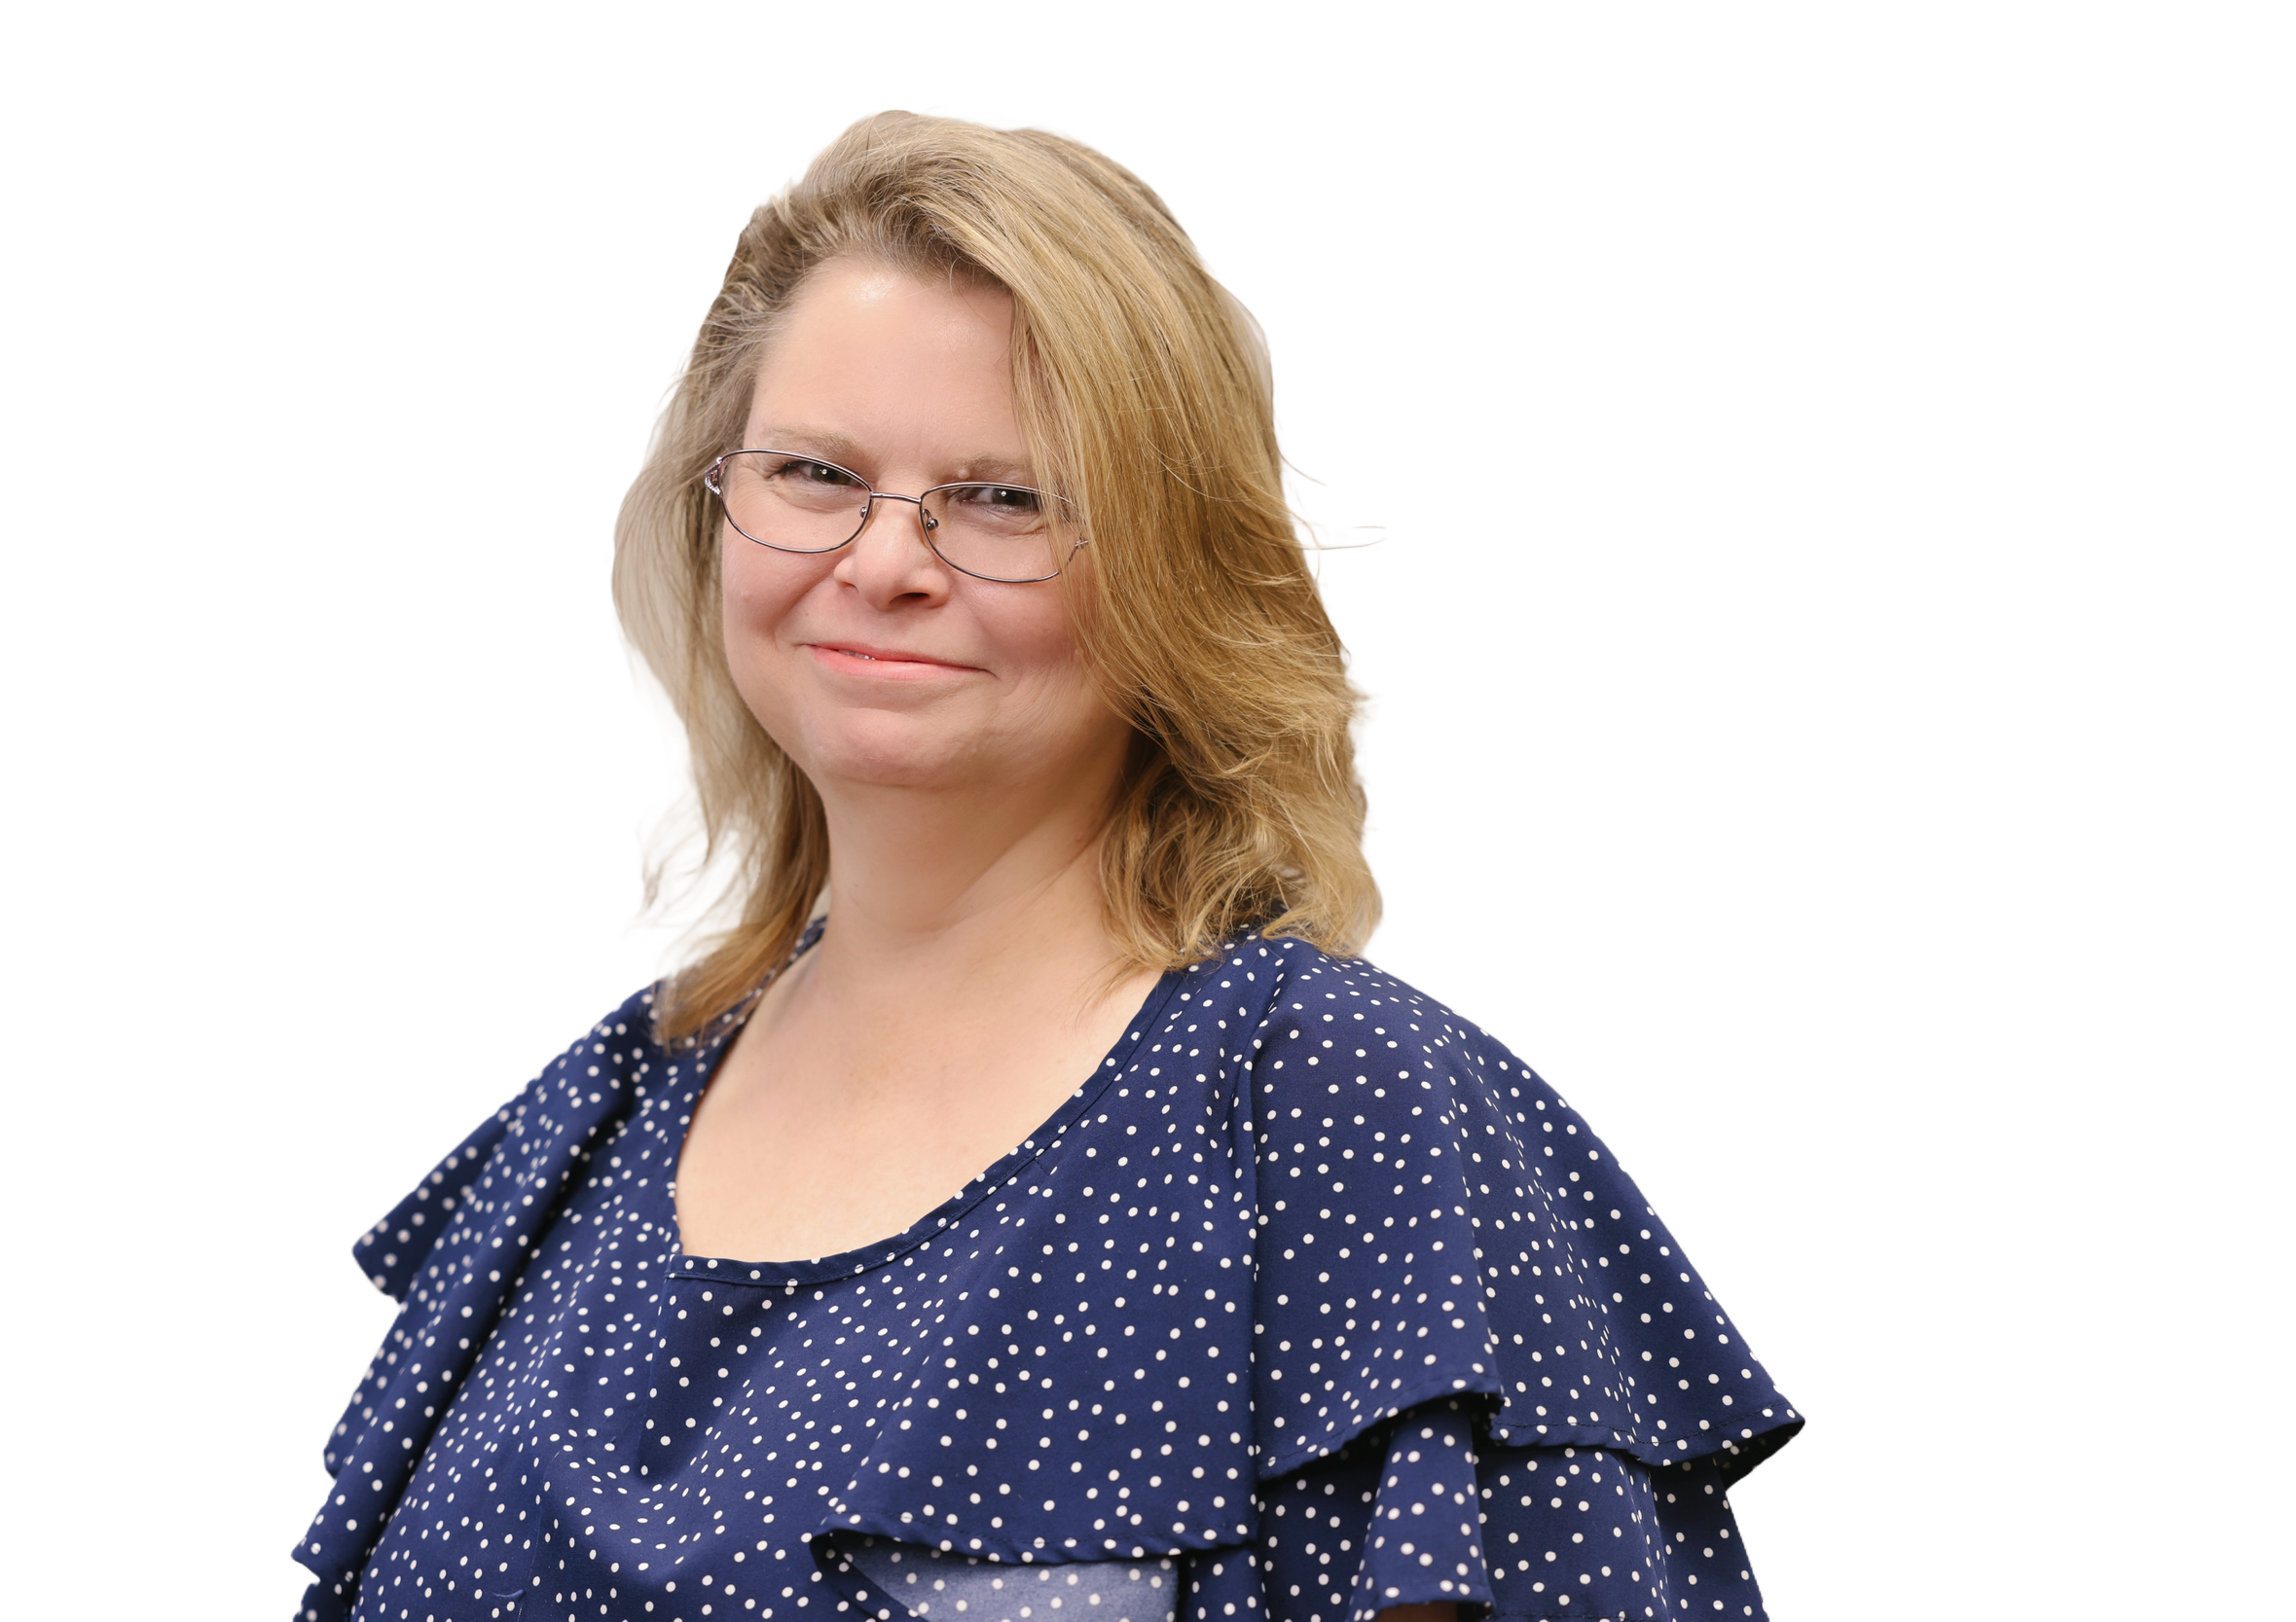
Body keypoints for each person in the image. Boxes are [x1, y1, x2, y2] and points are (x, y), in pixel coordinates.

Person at [290, 106, 1803, 1622]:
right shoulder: (591, 1116)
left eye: (1003, 498)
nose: (885, 562)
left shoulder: (1334, 1103)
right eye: (815, 473)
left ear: (1176, 568)